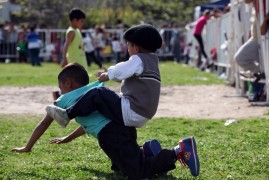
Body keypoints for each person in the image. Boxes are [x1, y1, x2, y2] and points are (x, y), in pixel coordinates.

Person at [12, 63, 200, 179]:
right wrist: (69, 138)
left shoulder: (62, 102)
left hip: (111, 135)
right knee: (119, 166)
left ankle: (179, 151)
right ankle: (146, 151)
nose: (59, 89)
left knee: (137, 173)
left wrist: (27, 147)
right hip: (122, 125)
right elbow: (89, 124)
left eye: (60, 85)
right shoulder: (92, 88)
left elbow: (44, 124)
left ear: (67, 84)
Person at [46, 24, 163, 129]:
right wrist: (112, 74)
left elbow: (120, 70)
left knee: (98, 93)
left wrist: (107, 75)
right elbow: (128, 77)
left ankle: (67, 114)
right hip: (143, 114)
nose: (128, 50)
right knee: (105, 99)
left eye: (128, 47)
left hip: (132, 111)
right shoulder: (152, 62)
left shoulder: (138, 58)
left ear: (136, 48)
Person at [234, 0, 269, 101]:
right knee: (256, 71)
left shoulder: (264, 4)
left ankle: (260, 88)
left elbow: (263, 30)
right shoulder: (255, 6)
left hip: (263, 42)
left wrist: (265, 20)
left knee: (240, 59)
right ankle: (259, 75)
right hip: (257, 40)